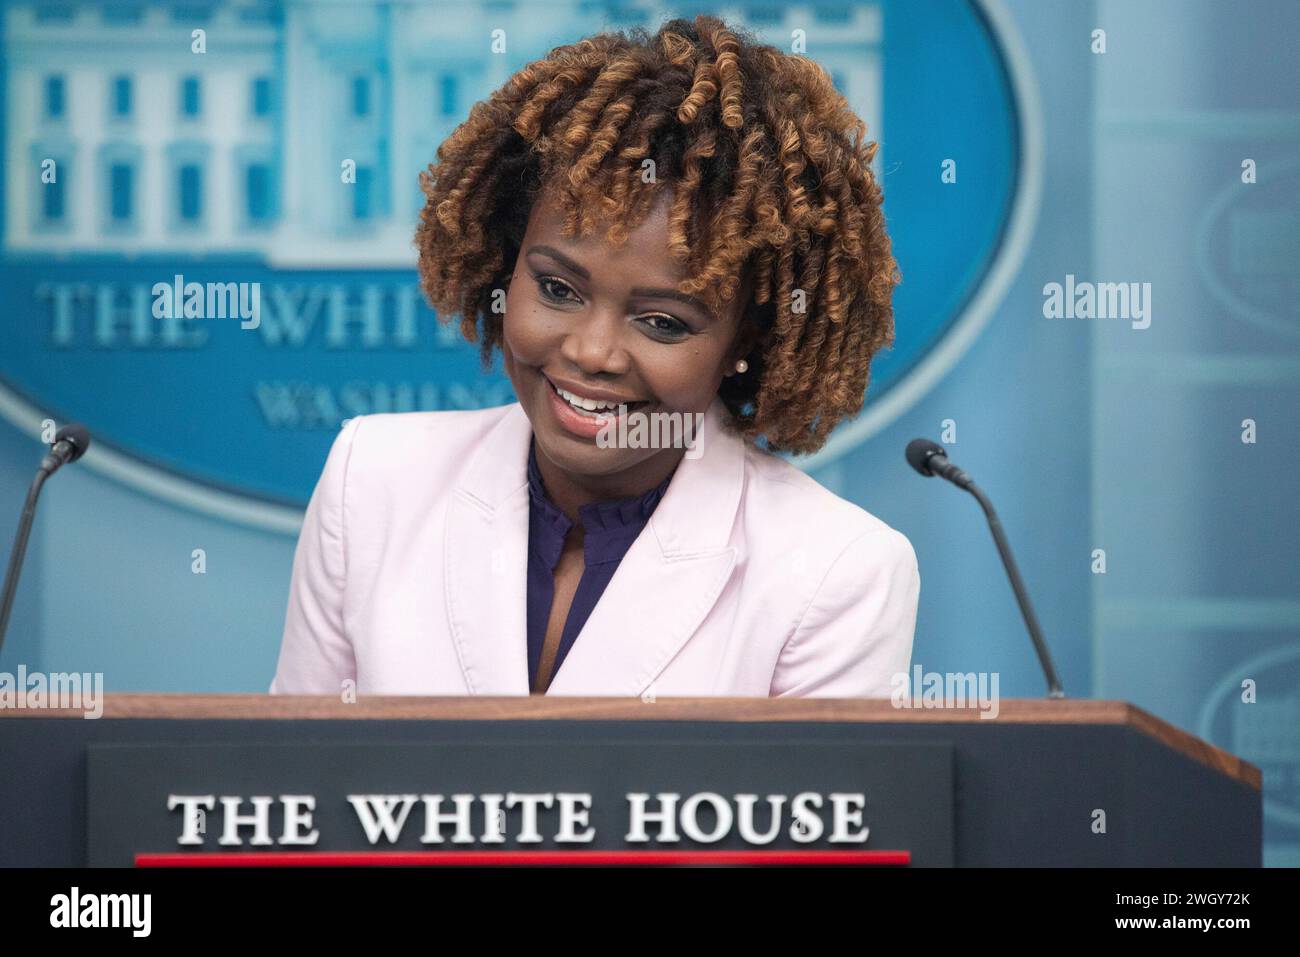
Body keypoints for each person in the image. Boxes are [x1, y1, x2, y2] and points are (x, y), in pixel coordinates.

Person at [271, 15, 918, 698]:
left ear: (746, 341)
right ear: (505, 264)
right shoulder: (370, 482)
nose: (591, 352)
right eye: (557, 288)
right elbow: (291, 792)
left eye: (663, 322)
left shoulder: (839, 573)